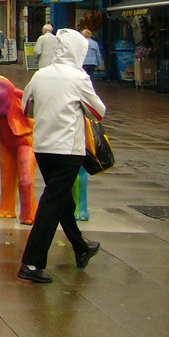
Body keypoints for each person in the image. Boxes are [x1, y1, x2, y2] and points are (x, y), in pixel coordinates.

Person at [18, 28, 106, 283]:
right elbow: (98, 112)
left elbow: (25, 106)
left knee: (62, 199)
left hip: (43, 146)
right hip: (68, 149)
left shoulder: (40, 74)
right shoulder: (79, 78)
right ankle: (32, 263)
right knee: (53, 202)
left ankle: (80, 247)